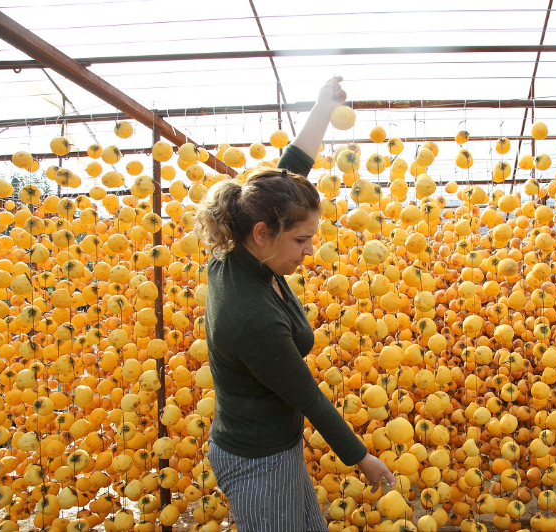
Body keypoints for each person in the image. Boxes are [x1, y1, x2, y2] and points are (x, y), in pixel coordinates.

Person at [195, 76, 395, 532]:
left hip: (272, 446)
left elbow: (289, 174)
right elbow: (307, 395)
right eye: (301, 240)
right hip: (256, 459)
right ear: (264, 233)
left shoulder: (236, 241)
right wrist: (362, 458)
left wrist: (323, 108)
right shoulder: (250, 316)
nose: (309, 252)